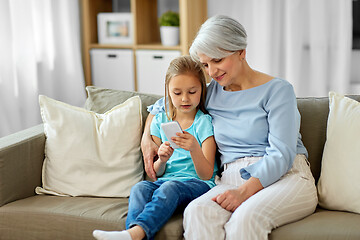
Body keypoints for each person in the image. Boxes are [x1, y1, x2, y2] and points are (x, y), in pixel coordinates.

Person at [141, 15, 318, 239]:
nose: (212, 71)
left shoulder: (278, 91)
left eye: (217, 60)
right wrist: (146, 137)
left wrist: (244, 192)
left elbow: (282, 153)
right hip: (231, 178)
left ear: (241, 51)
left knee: (246, 219)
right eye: (205, 65)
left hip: (286, 176)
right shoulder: (211, 93)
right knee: (197, 212)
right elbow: (162, 104)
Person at [93, 55, 218, 240]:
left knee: (170, 187)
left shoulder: (204, 122)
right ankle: (132, 234)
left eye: (192, 92)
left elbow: (207, 174)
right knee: (140, 188)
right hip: (165, 182)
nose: (185, 98)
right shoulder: (161, 121)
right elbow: (157, 173)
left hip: (197, 184)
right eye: (177, 93)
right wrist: (162, 159)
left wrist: (194, 149)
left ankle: (135, 233)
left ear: (201, 90)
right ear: (167, 92)